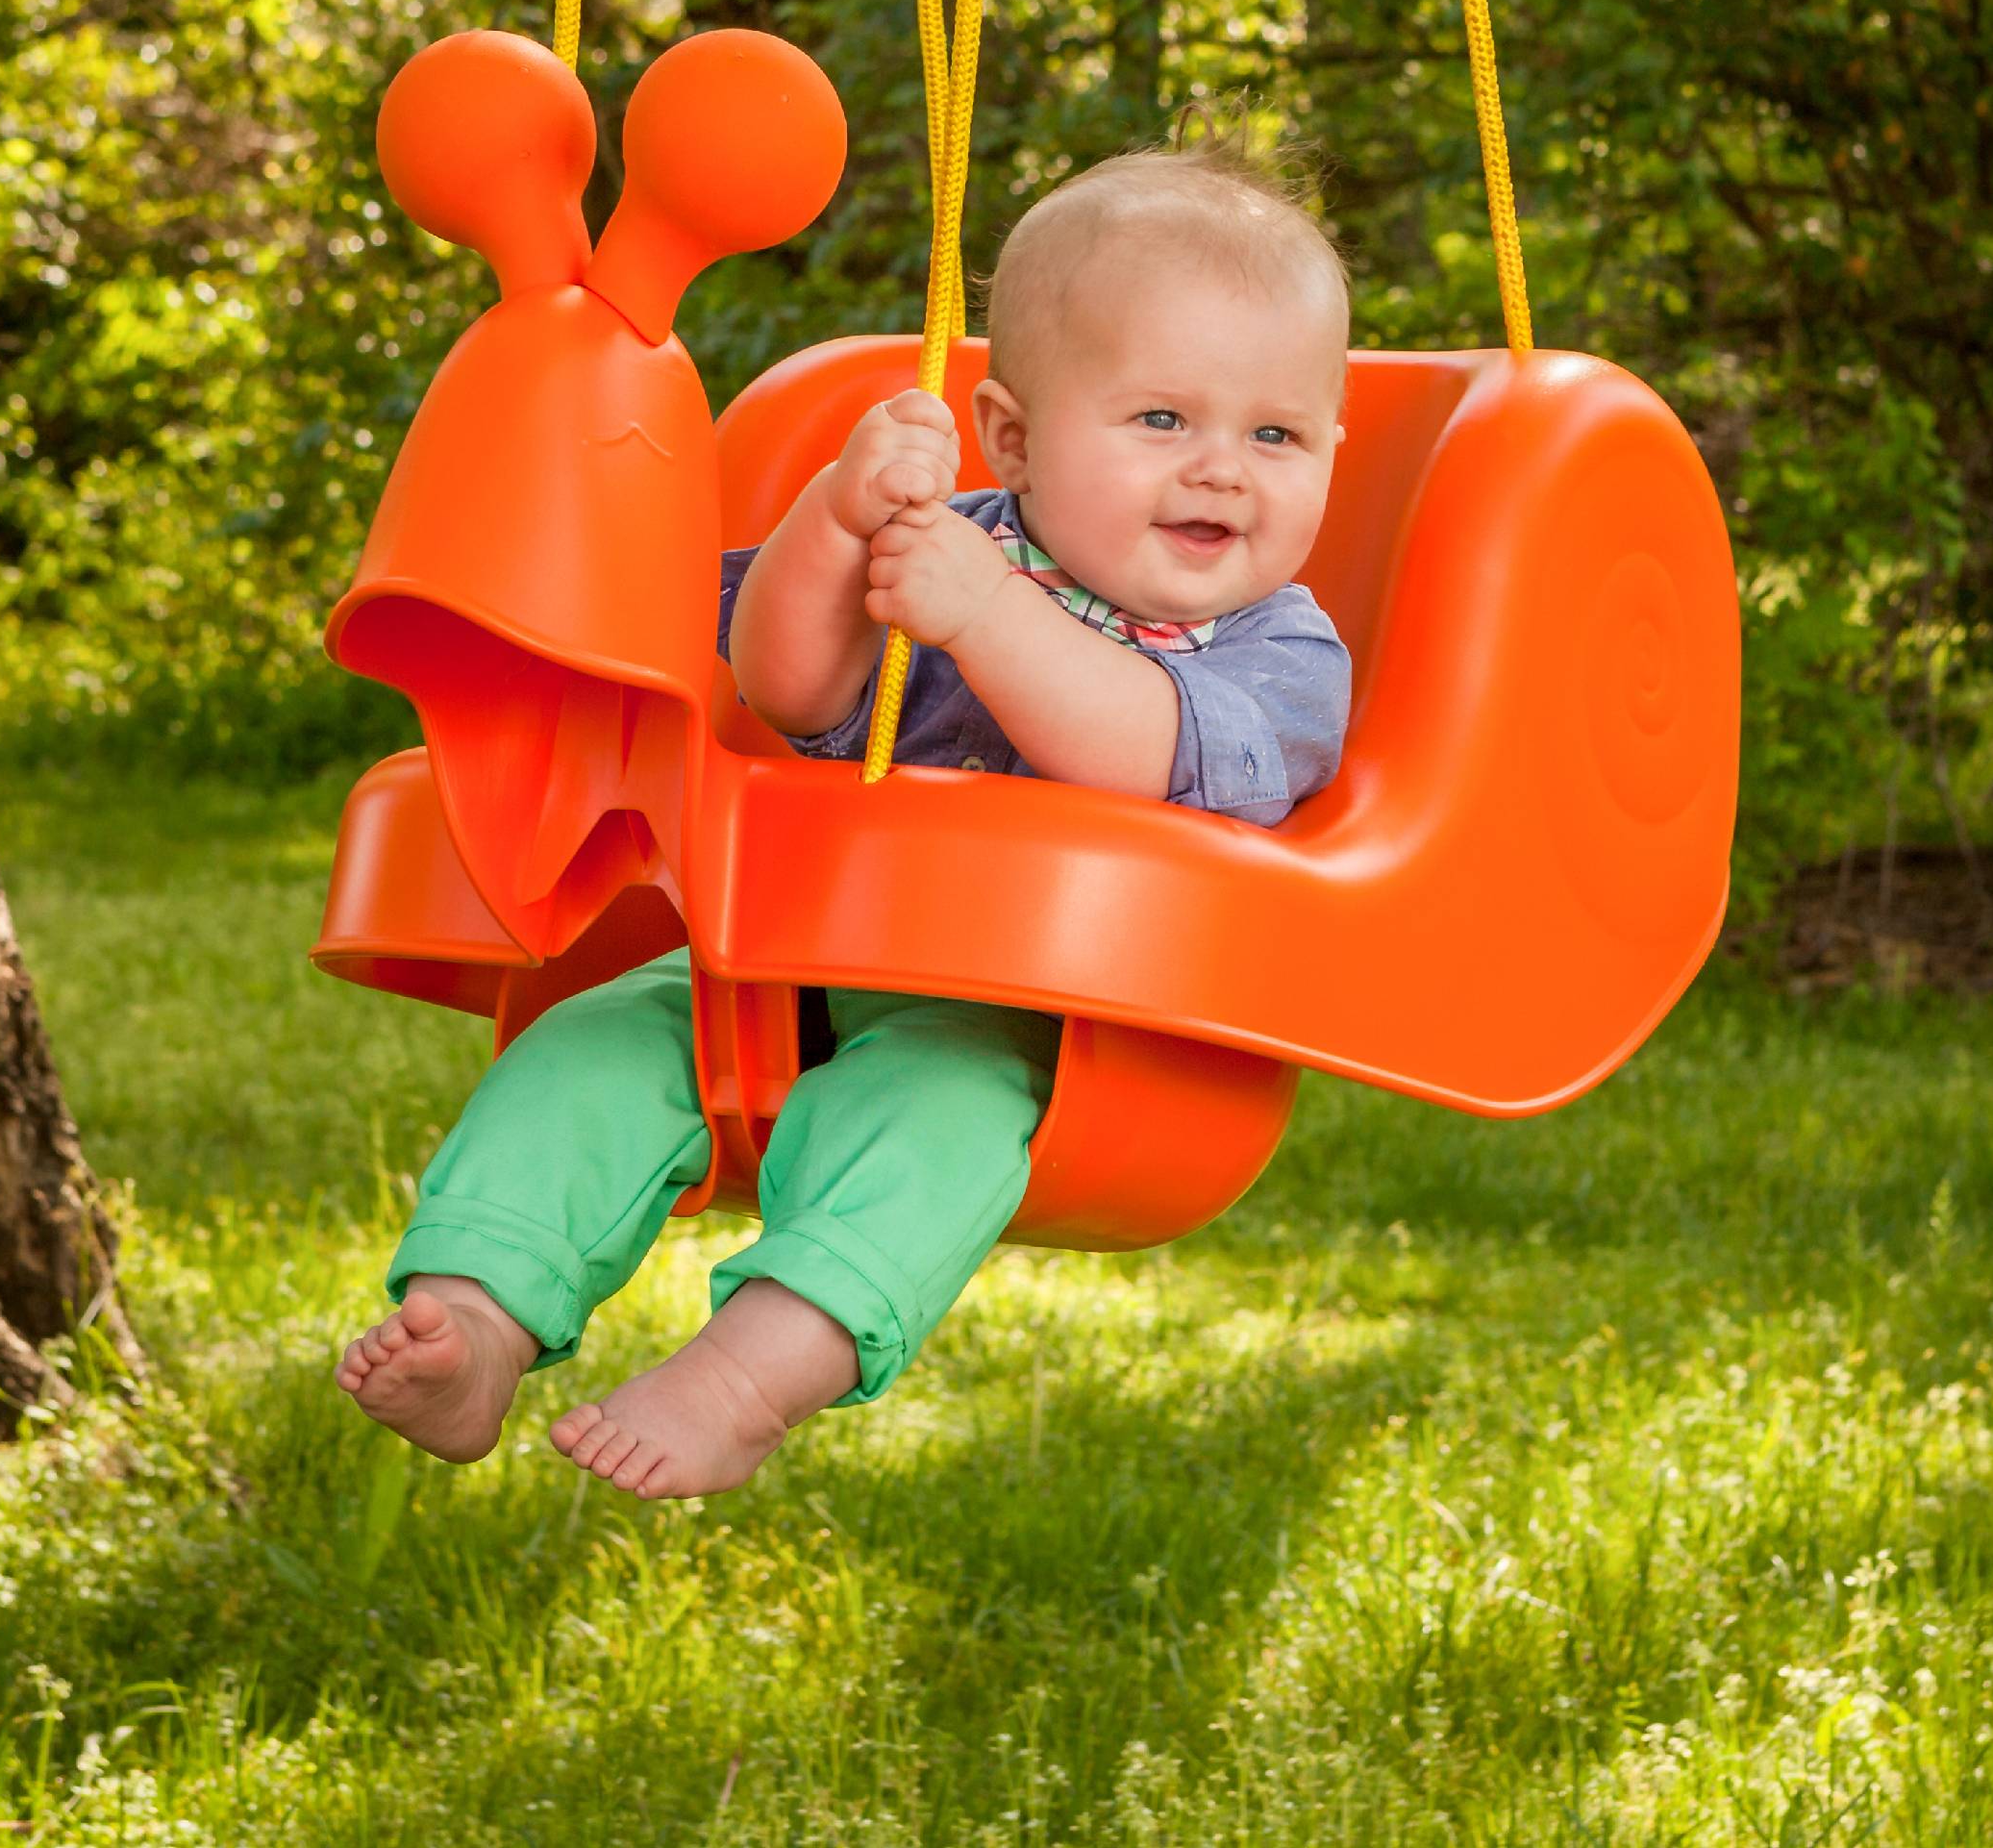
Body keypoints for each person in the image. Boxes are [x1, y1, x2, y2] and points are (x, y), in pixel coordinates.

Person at [335, 143, 1355, 1497]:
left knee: (928, 1126)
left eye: (1276, 436)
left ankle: (746, 1382)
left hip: (1047, 1029)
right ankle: (474, 1315)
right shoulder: (944, 532)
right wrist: (833, 521)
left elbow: (1149, 755)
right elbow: (786, 688)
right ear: (1013, 439)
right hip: (791, 957)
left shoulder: (1282, 653)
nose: (1223, 471)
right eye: (1163, 420)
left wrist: (985, 615)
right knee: (593, 1048)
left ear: (1330, 452)